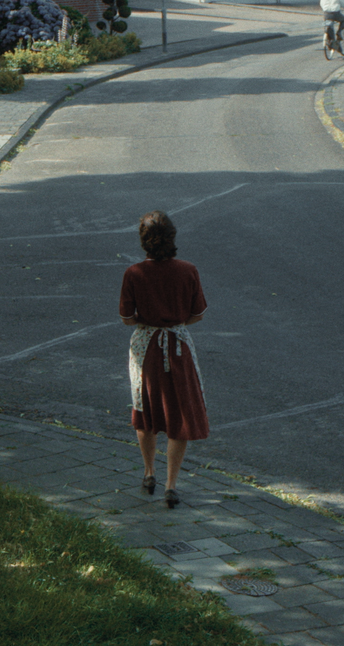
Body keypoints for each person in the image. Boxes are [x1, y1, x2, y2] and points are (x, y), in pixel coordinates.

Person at [119, 210, 209, 509]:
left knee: (144, 409)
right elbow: (197, 314)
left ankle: (148, 473)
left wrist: (148, 321)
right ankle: (172, 484)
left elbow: (127, 318)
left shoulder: (134, 274)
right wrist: (175, 323)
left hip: (145, 349)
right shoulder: (188, 270)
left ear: (144, 241)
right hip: (178, 347)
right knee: (179, 413)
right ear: (172, 238)